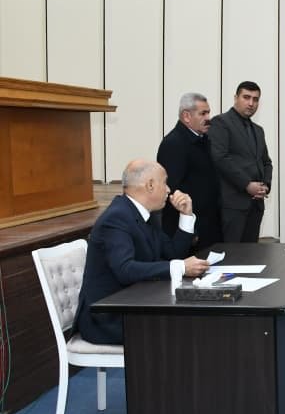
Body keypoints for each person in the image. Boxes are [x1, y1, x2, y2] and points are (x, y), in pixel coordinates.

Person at [74, 160, 209, 345]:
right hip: (108, 317)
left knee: (192, 323)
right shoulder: (116, 217)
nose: (169, 189)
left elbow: (172, 253)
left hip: (135, 305)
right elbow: (125, 269)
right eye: (165, 182)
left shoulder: (143, 214)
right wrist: (181, 267)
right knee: (186, 328)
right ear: (150, 185)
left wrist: (186, 215)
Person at [208, 80, 273, 243]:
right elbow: (220, 158)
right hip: (233, 205)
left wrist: (265, 185)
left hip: (256, 205)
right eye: (246, 97)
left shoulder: (258, 130)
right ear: (236, 98)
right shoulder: (220, 123)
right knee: (232, 253)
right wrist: (247, 184)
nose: (251, 103)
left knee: (251, 254)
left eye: (255, 99)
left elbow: (266, 162)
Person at [156, 92, 222, 249]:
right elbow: (172, 189)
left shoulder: (203, 139)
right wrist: (190, 230)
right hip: (190, 230)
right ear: (186, 116)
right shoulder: (173, 144)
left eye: (208, 112)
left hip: (208, 225)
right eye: (203, 113)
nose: (208, 118)